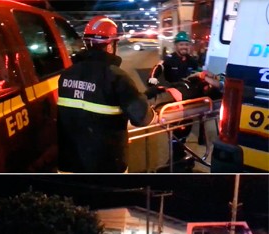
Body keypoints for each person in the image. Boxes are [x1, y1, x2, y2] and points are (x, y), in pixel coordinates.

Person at [57, 16, 155, 173]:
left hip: (70, 164)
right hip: (107, 165)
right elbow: (142, 118)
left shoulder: (66, 75)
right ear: (110, 45)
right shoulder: (117, 77)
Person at [148, 31, 201, 170]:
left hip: (188, 99)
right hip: (173, 98)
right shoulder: (169, 59)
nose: (184, 47)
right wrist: (153, 78)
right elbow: (157, 68)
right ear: (176, 45)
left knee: (185, 127)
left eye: (186, 44)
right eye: (181, 44)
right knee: (175, 129)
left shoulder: (193, 61)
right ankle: (177, 156)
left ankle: (179, 155)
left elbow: (200, 73)